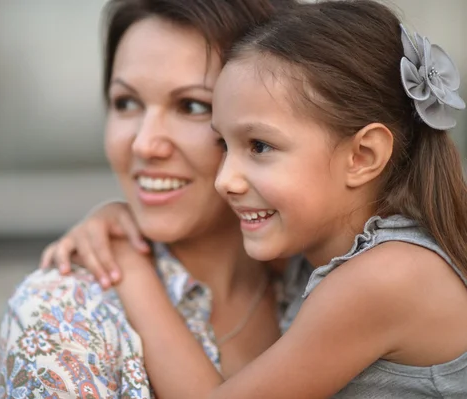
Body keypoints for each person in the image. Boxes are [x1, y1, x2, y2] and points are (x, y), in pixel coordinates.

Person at [91, 1, 467, 398]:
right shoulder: (323, 255)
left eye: (259, 146)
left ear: (362, 156)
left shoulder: (385, 277)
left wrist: (129, 267)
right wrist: (113, 216)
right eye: (223, 143)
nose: (225, 180)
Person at [0, 1, 309, 398]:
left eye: (192, 106)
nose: (144, 143)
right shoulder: (62, 314)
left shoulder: (321, 282)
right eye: (126, 103)